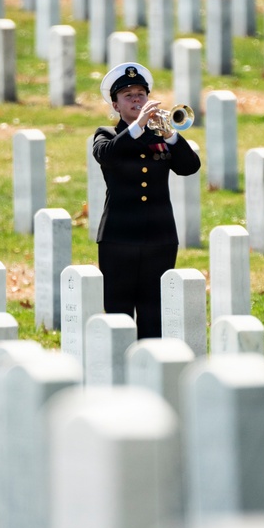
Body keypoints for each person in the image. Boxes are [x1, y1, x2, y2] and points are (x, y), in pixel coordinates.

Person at [92, 62, 201, 338]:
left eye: (141, 93)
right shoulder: (107, 135)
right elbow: (108, 155)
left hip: (159, 238)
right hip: (119, 239)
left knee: (155, 315)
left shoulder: (161, 135)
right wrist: (138, 127)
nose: (136, 99)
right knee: (119, 312)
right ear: (115, 105)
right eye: (128, 95)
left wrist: (171, 135)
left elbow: (189, 167)